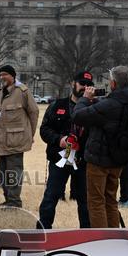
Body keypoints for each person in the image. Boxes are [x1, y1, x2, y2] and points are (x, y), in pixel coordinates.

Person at [71, 65, 128, 228]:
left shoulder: (111, 104)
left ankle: (102, 239)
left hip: (99, 160)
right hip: (118, 159)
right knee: (111, 200)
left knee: (96, 202)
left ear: (113, 84)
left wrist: (84, 98)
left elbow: (77, 116)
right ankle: (113, 236)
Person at [37, 71, 93, 229]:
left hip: (83, 161)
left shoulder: (94, 107)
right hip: (59, 160)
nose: (85, 87)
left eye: (88, 85)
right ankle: (42, 231)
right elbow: (44, 129)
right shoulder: (57, 105)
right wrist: (59, 140)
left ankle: (87, 235)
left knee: (85, 200)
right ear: (73, 83)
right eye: (82, 84)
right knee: (51, 196)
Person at [0, 65, 39, 208]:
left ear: (13, 76)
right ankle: (8, 200)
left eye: (5, 74)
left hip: (15, 141)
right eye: (0, 75)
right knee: (3, 172)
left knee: (14, 173)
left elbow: (34, 112)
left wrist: (30, 133)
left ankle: (15, 202)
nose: (2, 77)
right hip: (1, 140)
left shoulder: (22, 91)